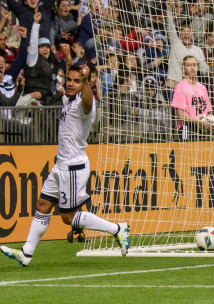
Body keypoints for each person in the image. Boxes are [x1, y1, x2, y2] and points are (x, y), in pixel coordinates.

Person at [1, 65, 130, 266]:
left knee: (68, 217)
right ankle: (26, 253)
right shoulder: (68, 99)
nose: (71, 84)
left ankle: (117, 229)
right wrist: (71, 61)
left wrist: (86, 81)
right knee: (42, 205)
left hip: (73, 166)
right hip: (60, 164)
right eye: (69, 79)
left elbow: (88, 101)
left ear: (85, 83)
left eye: (76, 81)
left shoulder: (85, 103)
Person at [171, 55, 214, 140]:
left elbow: (207, 113)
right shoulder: (180, 87)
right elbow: (181, 115)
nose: (192, 68)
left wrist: (213, 125)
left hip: (203, 129)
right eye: (189, 65)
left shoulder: (202, 87)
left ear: (198, 67)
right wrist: (199, 122)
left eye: (194, 65)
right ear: (184, 69)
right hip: (188, 128)